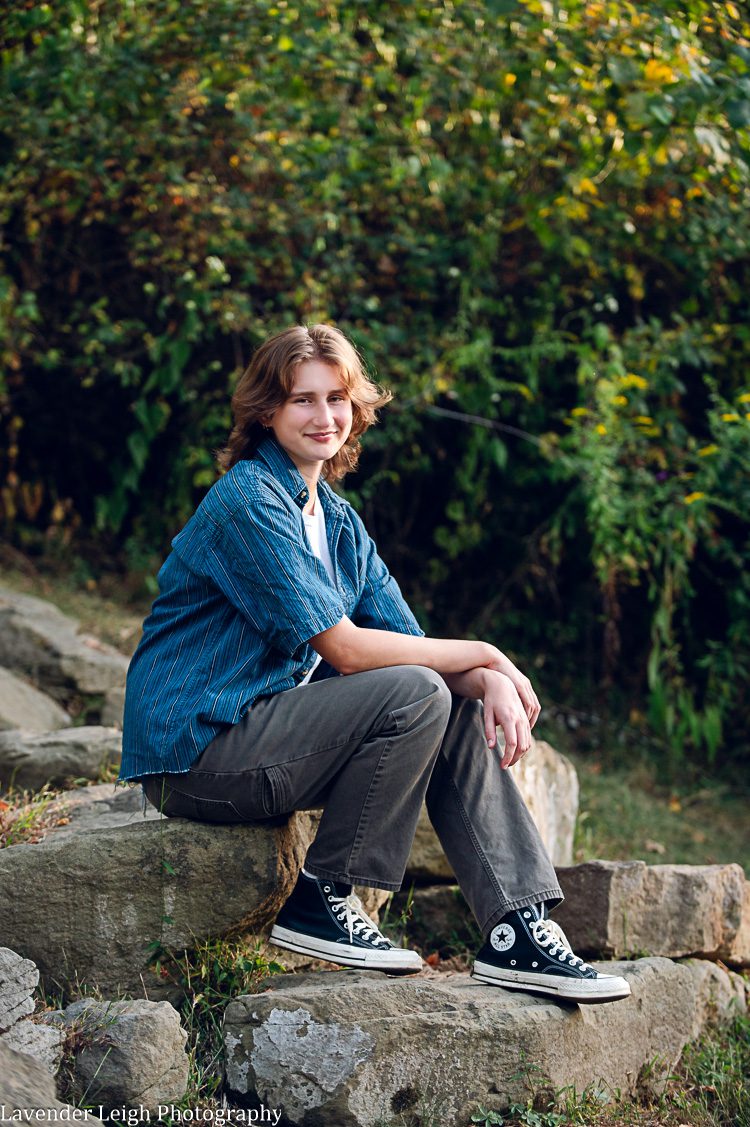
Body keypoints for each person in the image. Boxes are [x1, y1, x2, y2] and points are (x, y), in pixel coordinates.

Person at [119, 323, 630, 1005]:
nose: (324, 416)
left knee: (446, 702)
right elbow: (351, 651)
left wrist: (486, 682)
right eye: (303, 399)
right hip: (195, 755)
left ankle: (518, 927)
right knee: (418, 691)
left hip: (263, 736)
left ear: (356, 408)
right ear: (266, 411)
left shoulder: (335, 521)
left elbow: (405, 642)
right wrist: (488, 653)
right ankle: (321, 897)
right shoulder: (248, 501)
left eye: (337, 398)